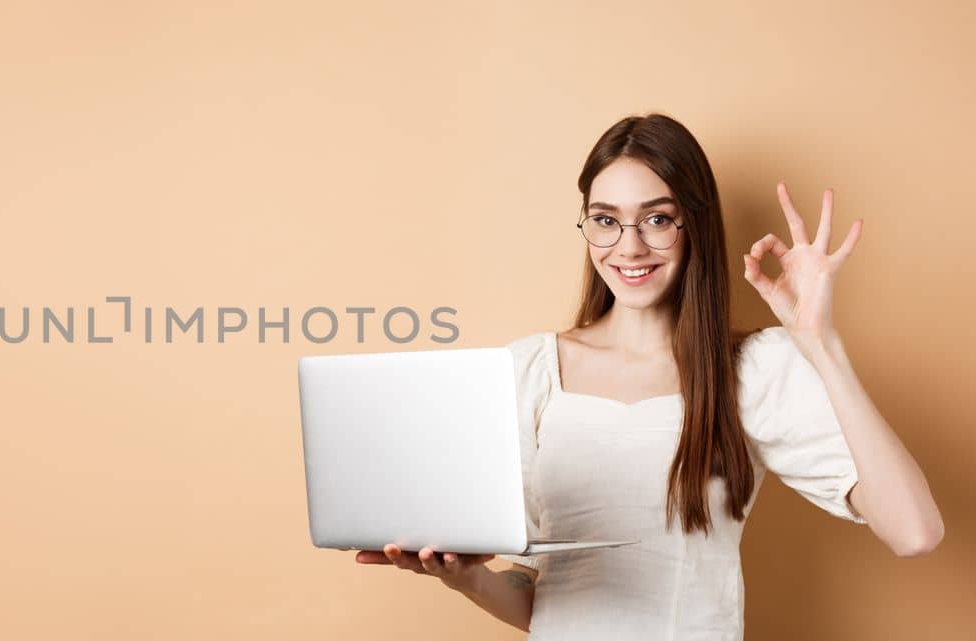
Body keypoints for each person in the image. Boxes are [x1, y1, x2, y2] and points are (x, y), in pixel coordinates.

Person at [354, 113, 945, 639]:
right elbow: (543, 600)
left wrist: (819, 343)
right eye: (605, 220)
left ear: (694, 225)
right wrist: (465, 580)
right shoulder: (528, 369)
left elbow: (914, 531)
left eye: (656, 219)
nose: (628, 247)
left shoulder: (753, 370)